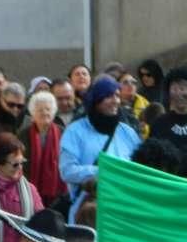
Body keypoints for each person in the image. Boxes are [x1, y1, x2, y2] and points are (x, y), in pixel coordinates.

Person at [60, 75, 142, 223]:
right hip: (89, 214)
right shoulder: (75, 131)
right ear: (96, 100)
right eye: (108, 96)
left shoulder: (128, 132)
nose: (115, 101)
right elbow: (67, 171)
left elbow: (139, 169)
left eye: (117, 95)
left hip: (125, 212)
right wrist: (105, 170)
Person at [18, 91, 65, 209]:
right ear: (33, 114)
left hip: (58, 192)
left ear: (53, 112)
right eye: (40, 110)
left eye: (48, 109)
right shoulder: (23, 134)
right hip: (30, 189)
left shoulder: (63, 132)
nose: (44, 113)